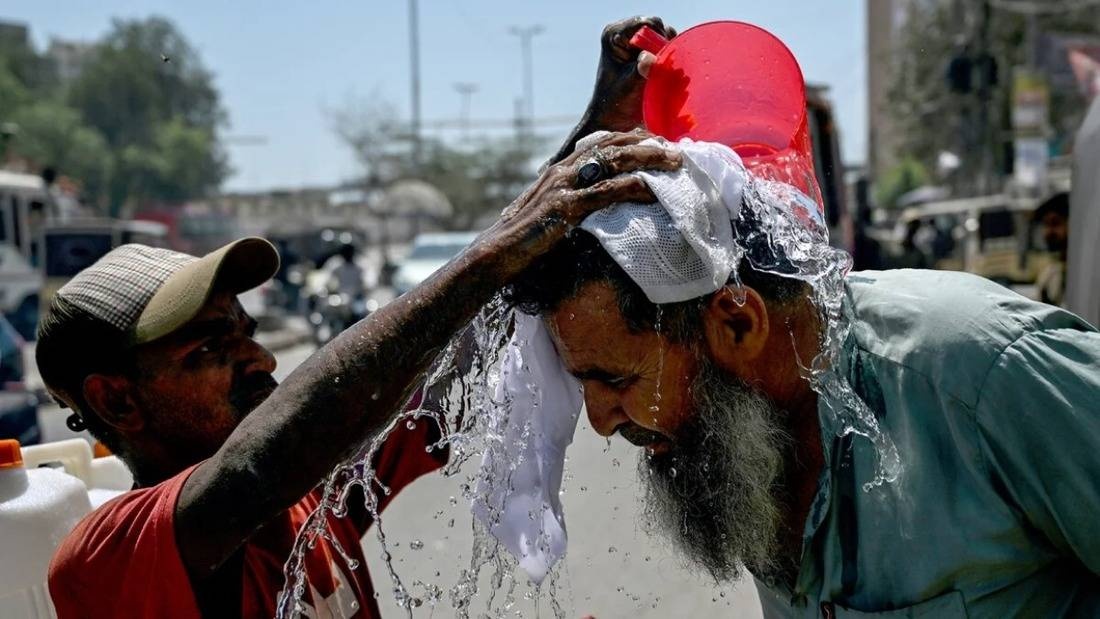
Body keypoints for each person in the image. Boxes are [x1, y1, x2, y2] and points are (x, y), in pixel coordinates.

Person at [507, 16, 1100, 617]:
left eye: (616, 379)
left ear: (738, 325)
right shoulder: (746, 436)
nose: (601, 421)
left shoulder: (979, 372)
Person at [40, 128, 682, 615]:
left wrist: (589, 149)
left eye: (247, 334)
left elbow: (446, 351)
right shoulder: (108, 559)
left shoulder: (309, 502)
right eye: (210, 349)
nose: (261, 359)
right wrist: (498, 250)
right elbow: (261, 463)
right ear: (117, 401)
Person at [1034, 192, 1069, 306]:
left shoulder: (1084, 272)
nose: (1049, 232)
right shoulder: (1049, 275)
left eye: (1055, 223)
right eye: (1046, 224)